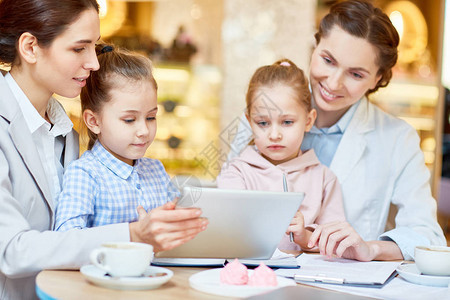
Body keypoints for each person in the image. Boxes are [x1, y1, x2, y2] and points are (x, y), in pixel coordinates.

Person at [0, 1, 206, 299]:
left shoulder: (63, 131)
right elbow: (11, 251)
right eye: (78, 49)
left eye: (93, 47)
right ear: (30, 47)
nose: (94, 63)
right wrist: (133, 235)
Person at [229, 0, 445, 261]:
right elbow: (229, 202)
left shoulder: (398, 138)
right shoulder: (266, 111)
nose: (333, 83)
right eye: (328, 60)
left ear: (377, 79)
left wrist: (371, 247)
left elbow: (428, 237)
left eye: (356, 74)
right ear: (315, 46)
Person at [217, 59, 346, 252]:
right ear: (249, 121)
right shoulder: (236, 173)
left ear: (308, 121)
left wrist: (304, 237)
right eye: (262, 123)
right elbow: (227, 233)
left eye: (287, 122)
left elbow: (335, 242)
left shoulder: (324, 179)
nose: (274, 134)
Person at [55, 44, 178, 231]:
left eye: (151, 117)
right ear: (94, 121)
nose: (144, 130)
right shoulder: (85, 174)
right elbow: (67, 237)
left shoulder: (156, 170)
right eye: (129, 120)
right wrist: (131, 234)